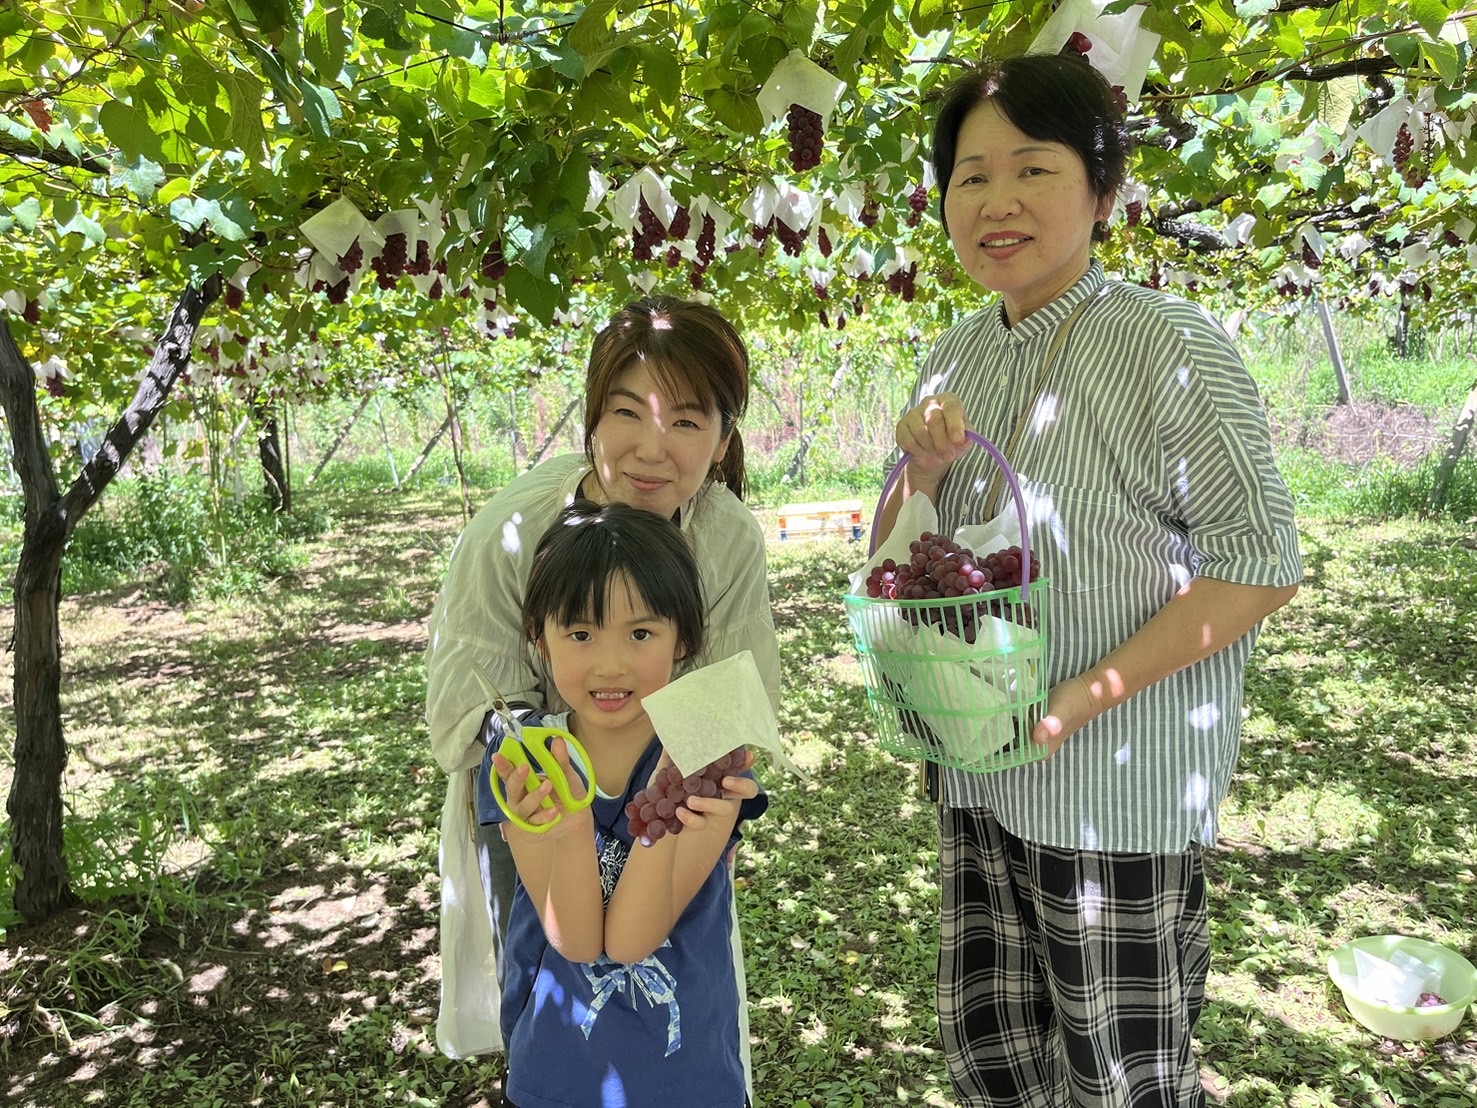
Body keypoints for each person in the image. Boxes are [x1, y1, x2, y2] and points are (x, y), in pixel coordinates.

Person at [875, 54, 1303, 1107]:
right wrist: (918, 475)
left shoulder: (1172, 347)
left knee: (1122, 1076)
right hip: (977, 770)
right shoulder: (953, 355)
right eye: (969, 177)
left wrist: (1078, 701)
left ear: (1102, 190)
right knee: (998, 1055)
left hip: (1112, 794)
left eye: (1032, 168)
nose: (997, 200)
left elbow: (1258, 565)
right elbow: (896, 561)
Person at [425, 297, 781, 1071]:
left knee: (663, 994)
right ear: (590, 417)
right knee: (552, 988)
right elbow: (477, 687)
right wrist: (549, 785)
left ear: (723, 440)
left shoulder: (723, 537)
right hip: (539, 799)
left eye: (687, 422)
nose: (654, 449)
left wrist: (672, 802)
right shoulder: (516, 526)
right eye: (629, 413)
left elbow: (733, 686)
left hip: (664, 802)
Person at [486, 499, 765, 1107]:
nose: (609, 664)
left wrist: (659, 823)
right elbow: (580, 940)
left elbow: (633, 940)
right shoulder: (529, 759)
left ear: (682, 637)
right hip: (557, 1082)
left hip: (688, 1083)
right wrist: (566, 829)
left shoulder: (703, 749)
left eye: (641, 633)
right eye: (580, 633)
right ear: (541, 637)